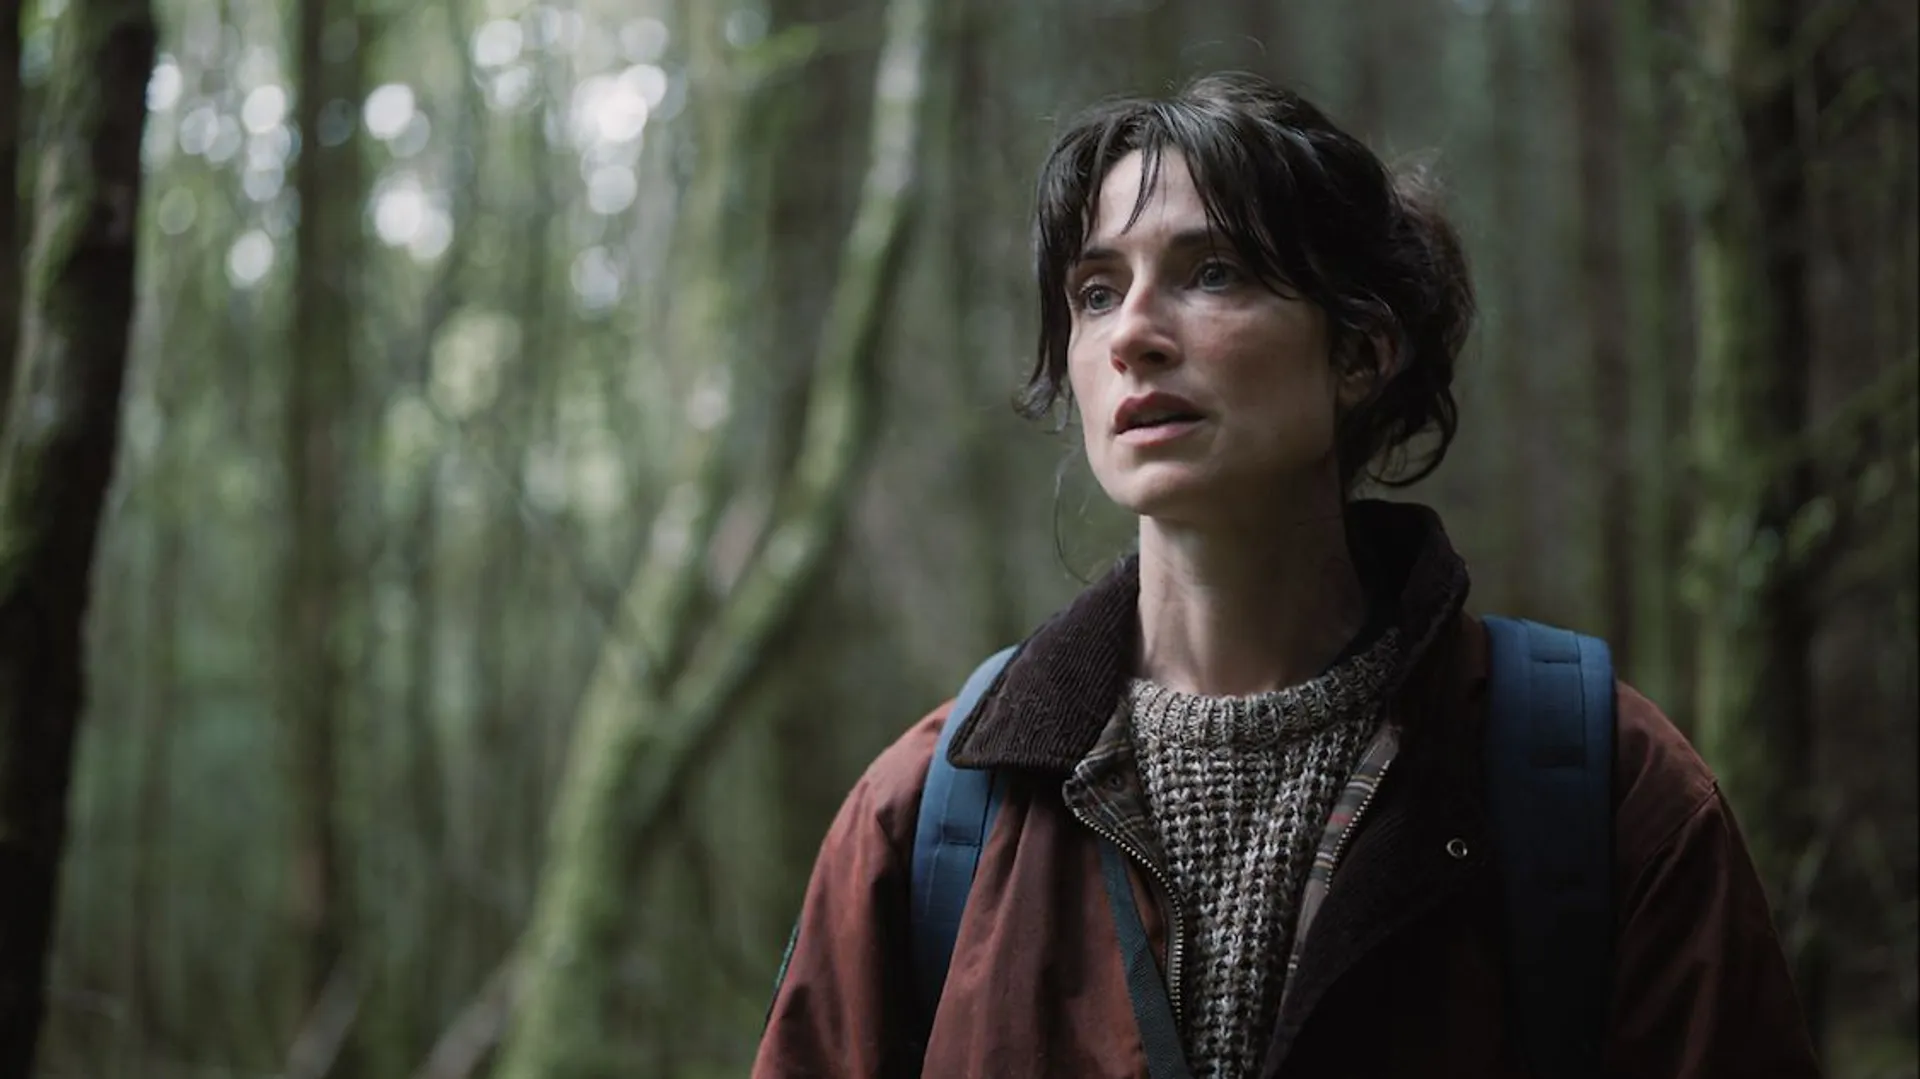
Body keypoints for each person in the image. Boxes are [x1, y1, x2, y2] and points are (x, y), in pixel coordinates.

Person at [754, 72, 1819, 1078]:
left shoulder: (1596, 787)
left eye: (1212, 271)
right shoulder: (932, 814)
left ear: (1361, 353)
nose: (1132, 335)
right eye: (1096, 291)